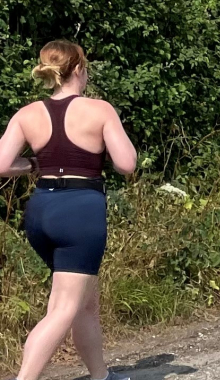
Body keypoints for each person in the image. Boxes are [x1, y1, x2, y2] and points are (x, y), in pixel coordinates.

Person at [0, 41, 137, 380]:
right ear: (78, 69)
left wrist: (34, 163)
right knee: (62, 310)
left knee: (83, 302)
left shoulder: (28, 113)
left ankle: (101, 376)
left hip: (42, 210)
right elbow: (127, 164)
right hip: (80, 212)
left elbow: (2, 165)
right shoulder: (100, 109)